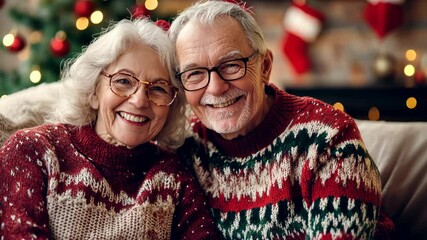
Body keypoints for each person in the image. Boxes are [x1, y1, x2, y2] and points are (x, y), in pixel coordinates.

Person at [170, 1, 391, 239]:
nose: (215, 88)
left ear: (265, 67)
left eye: (231, 65)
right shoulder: (184, 148)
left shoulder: (329, 138)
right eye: (194, 74)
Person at [0, 18, 220, 239]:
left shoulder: (173, 175)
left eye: (158, 88)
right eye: (123, 81)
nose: (139, 101)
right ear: (94, 92)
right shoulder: (33, 151)